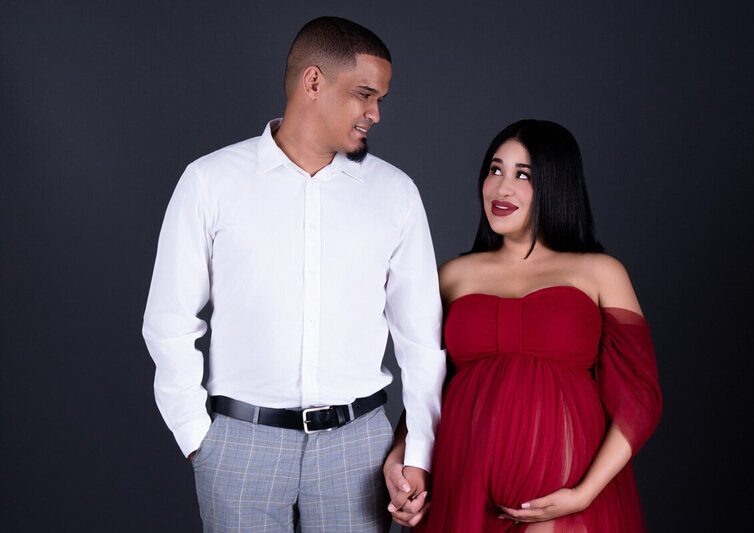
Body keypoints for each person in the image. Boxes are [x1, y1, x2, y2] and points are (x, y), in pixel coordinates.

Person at [142, 16, 445, 532]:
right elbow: (168, 321)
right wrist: (197, 437)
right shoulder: (210, 182)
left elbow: (420, 340)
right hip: (240, 445)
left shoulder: (395, 194)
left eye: (379, 100)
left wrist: (419, 451)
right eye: (364, 94)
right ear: (313, 82)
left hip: (359, 451)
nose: (375, 114)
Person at [384, 119, 662, 531]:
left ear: (555, 184)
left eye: (523, 175)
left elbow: (639, 400)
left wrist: (585, 493)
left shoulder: (601, 273)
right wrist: (402, 457)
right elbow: (425, 386)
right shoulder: (452, 276)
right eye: (495, 169)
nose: (502, 188)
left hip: (567, 494)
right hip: (463, 485)